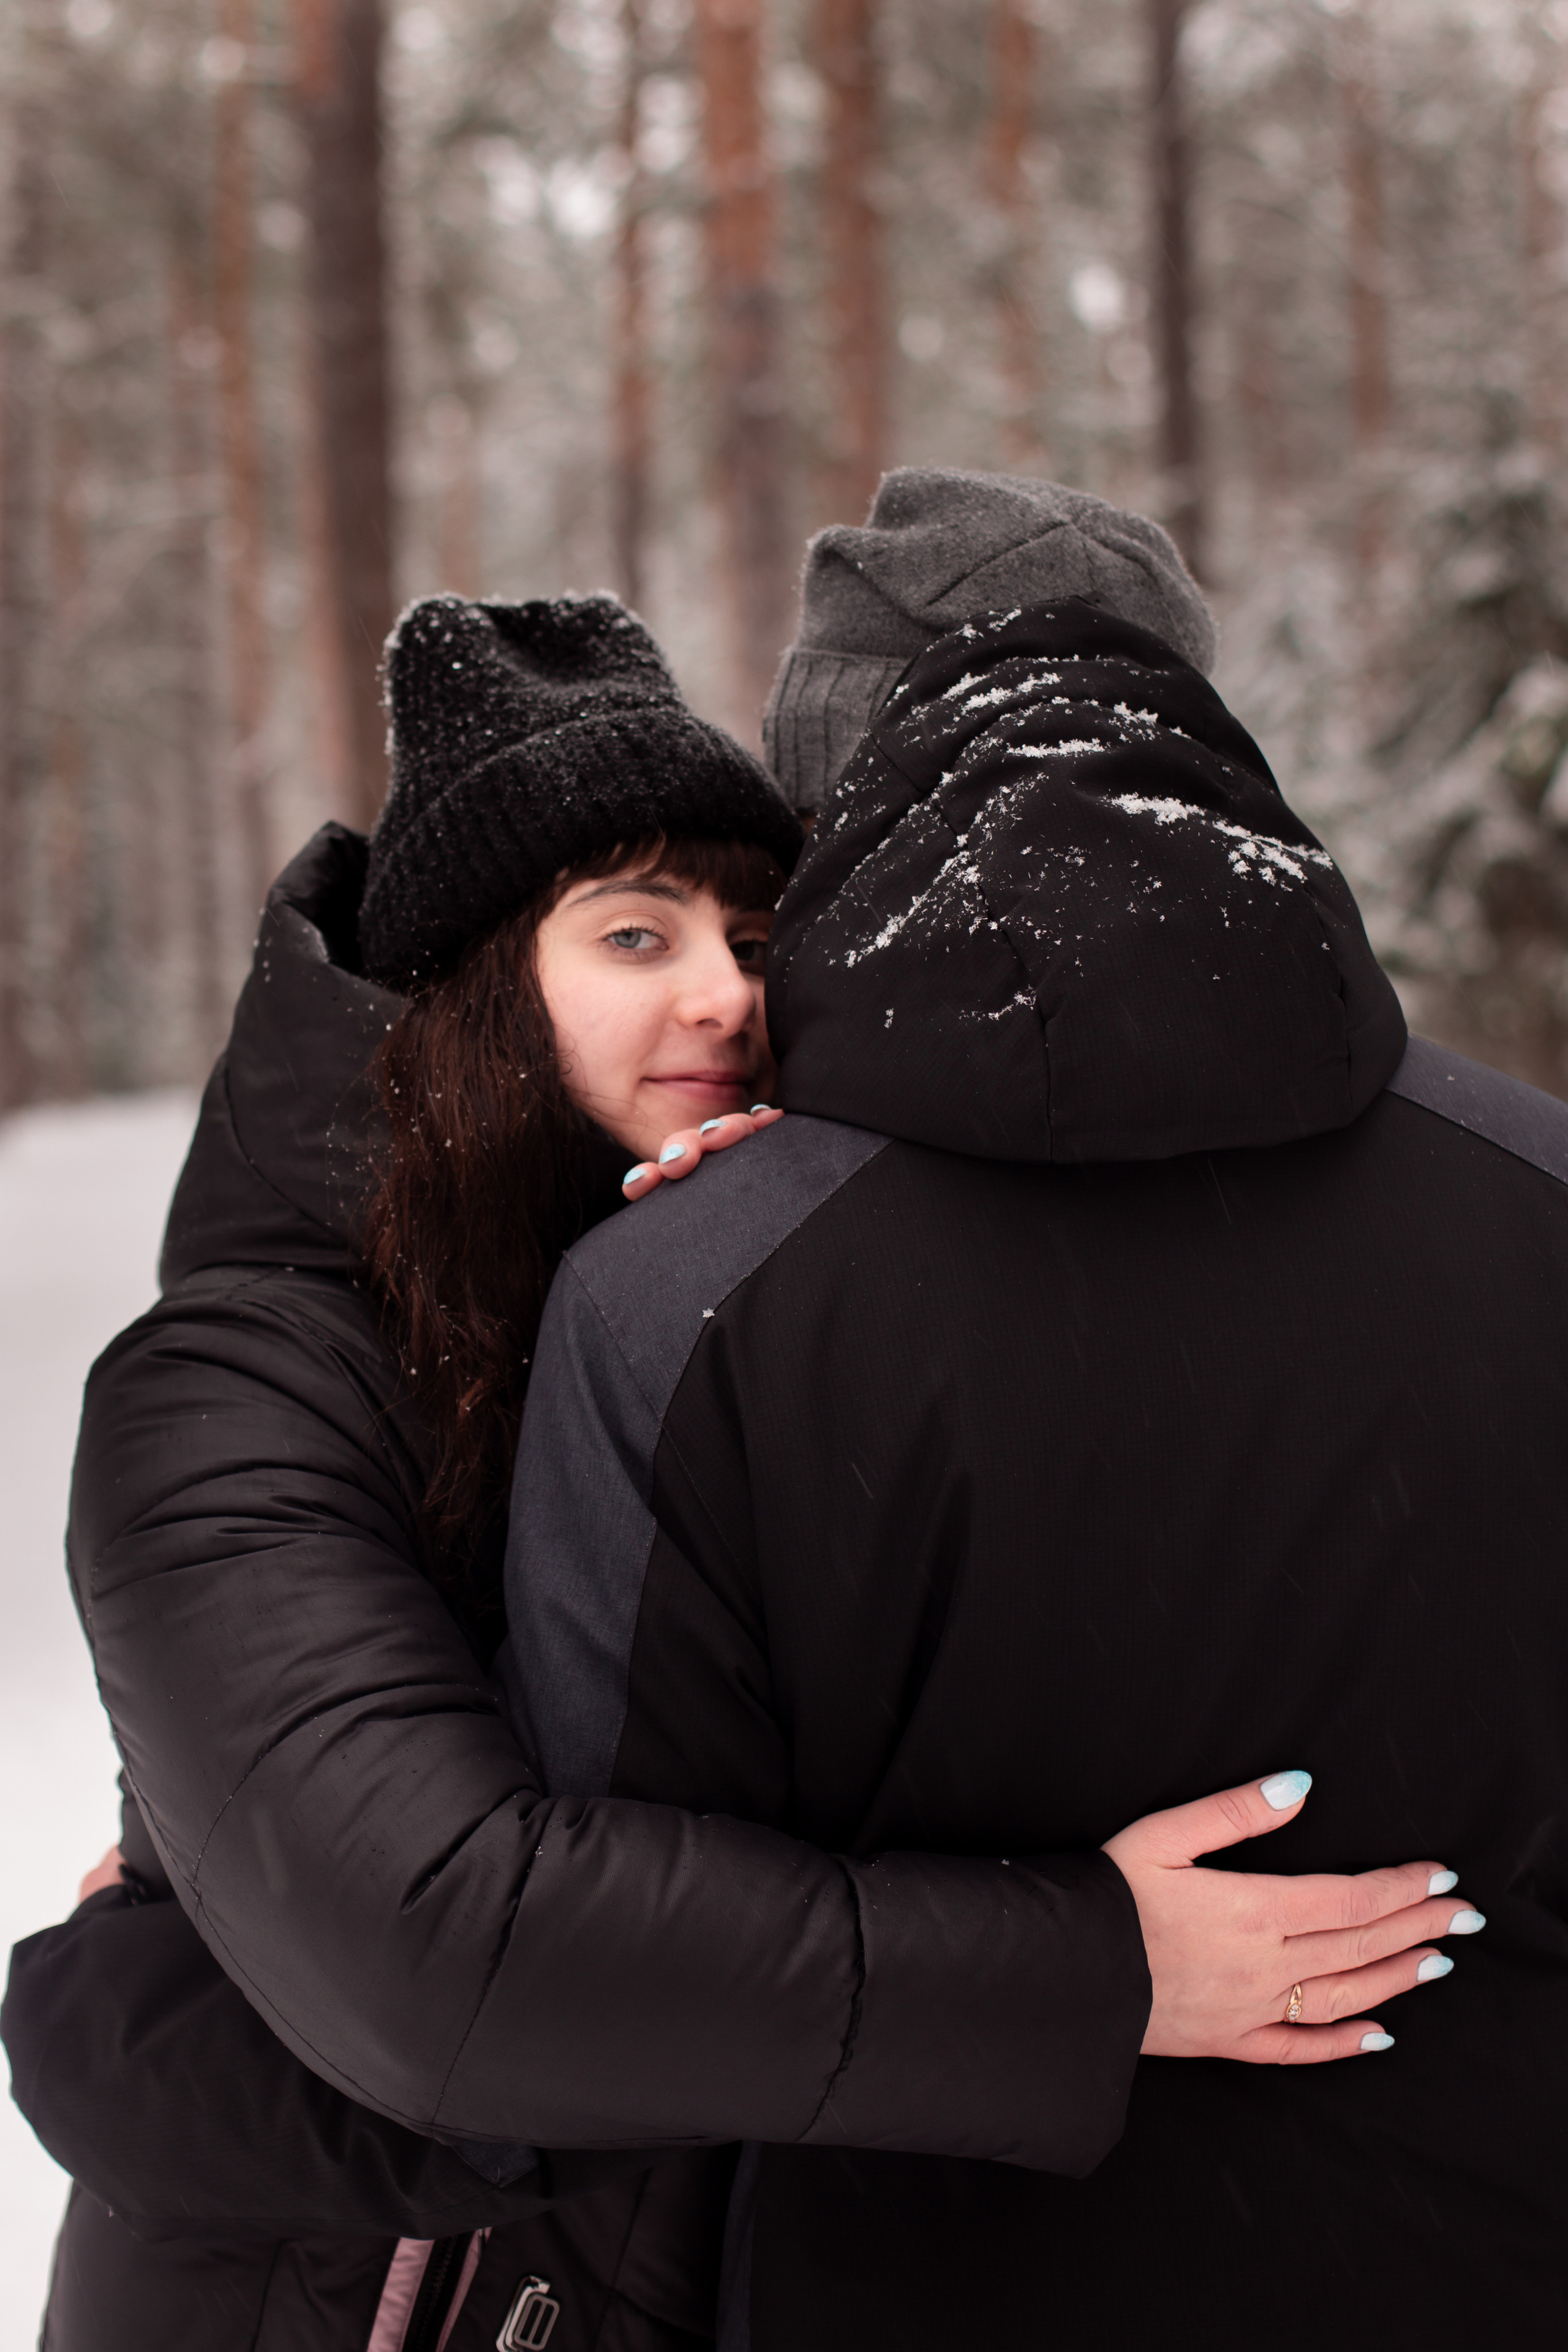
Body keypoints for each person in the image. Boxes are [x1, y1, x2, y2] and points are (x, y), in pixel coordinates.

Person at [6, 546, 1458, 2351]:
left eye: (757, 942)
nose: (725, 996)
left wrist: (135, 2038)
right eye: (638, 935)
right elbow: (439, 1952)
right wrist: (1089, 1975)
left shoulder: (729, 1301)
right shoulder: (231, 1387)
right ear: (466, 988)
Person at [499, 470, 1564, 2348]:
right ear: (1197, 740)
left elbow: (620, 1973)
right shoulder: (1541, 1205)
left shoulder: (687, 1295)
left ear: (842, 813)